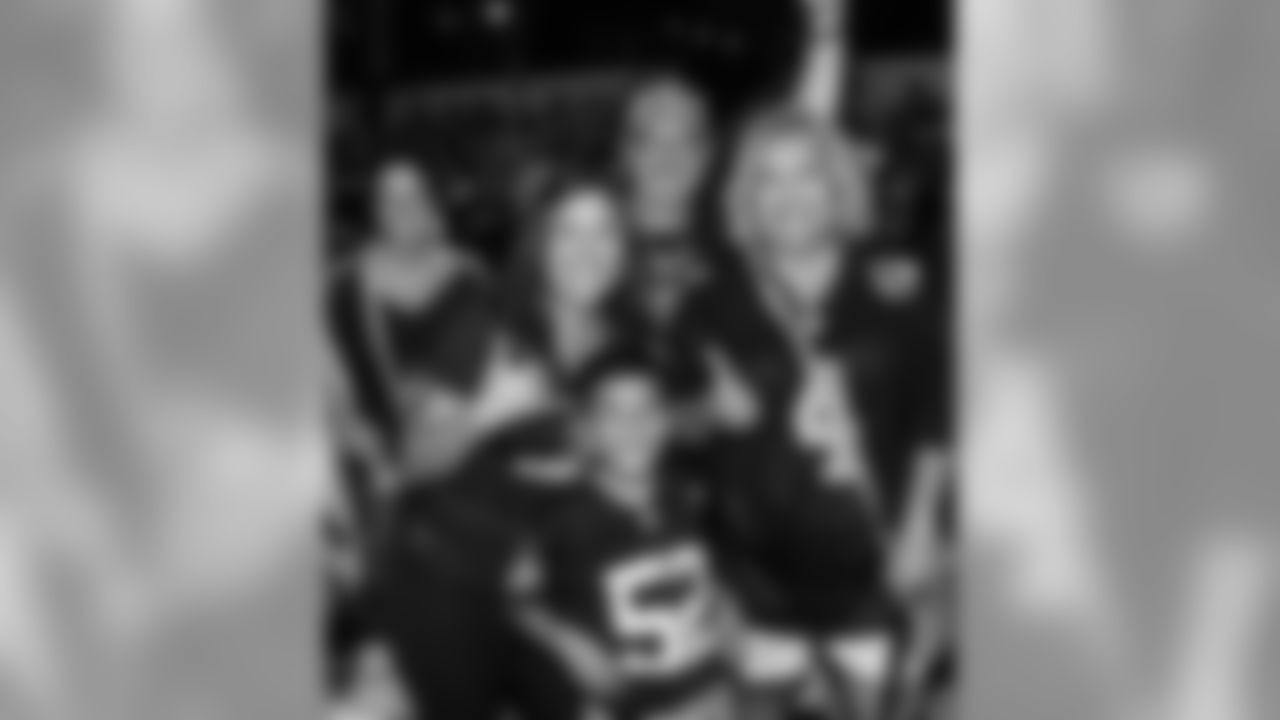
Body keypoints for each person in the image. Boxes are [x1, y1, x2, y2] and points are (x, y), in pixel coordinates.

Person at [678, 107, 941, 720]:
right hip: (757, 577)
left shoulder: (892, 285)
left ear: (837, 186)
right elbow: (669, 426)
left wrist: (923, 525)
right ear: (747, 196)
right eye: (768, 178)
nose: (789, 195)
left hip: (872, 564)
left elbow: (936, 409)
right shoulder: (712, 302)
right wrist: (708, 412)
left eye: (807, 174)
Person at [509, 349, 736, 720]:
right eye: (613, 413)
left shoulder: (687, 492)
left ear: (666, 419)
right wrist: (567, 642)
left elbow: (700, 564)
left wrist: (724, 599)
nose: (634, 426)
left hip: (708, 687)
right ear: (590, 427)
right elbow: (513, 599)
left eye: (647, 409)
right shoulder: (559, 519)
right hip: (629, 706)